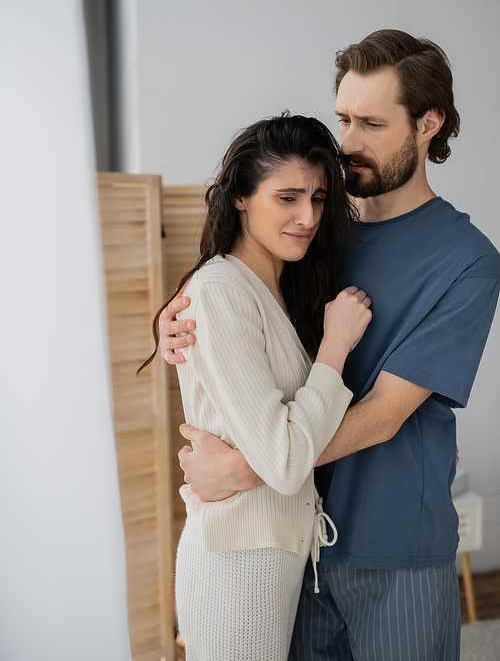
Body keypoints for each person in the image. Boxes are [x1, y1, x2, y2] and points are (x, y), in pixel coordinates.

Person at [161, 30, 500, 661]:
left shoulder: (467, 261)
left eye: (372, 123)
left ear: (429, 124)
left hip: (392, 544)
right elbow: (240, 309)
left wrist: (247, 466)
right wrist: (173, 319)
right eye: (344, 118)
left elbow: (384, 414)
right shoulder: (313, 229)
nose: (347, 144)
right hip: (292, 547)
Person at [141, 113, 372, 661]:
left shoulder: (276, 286)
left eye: (317, 198)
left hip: (264, 559)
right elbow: (287, 460)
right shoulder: (223, 290)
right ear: (241, 198)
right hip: (237, 563)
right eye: (287, 197)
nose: (307, 215)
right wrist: (335, 348)